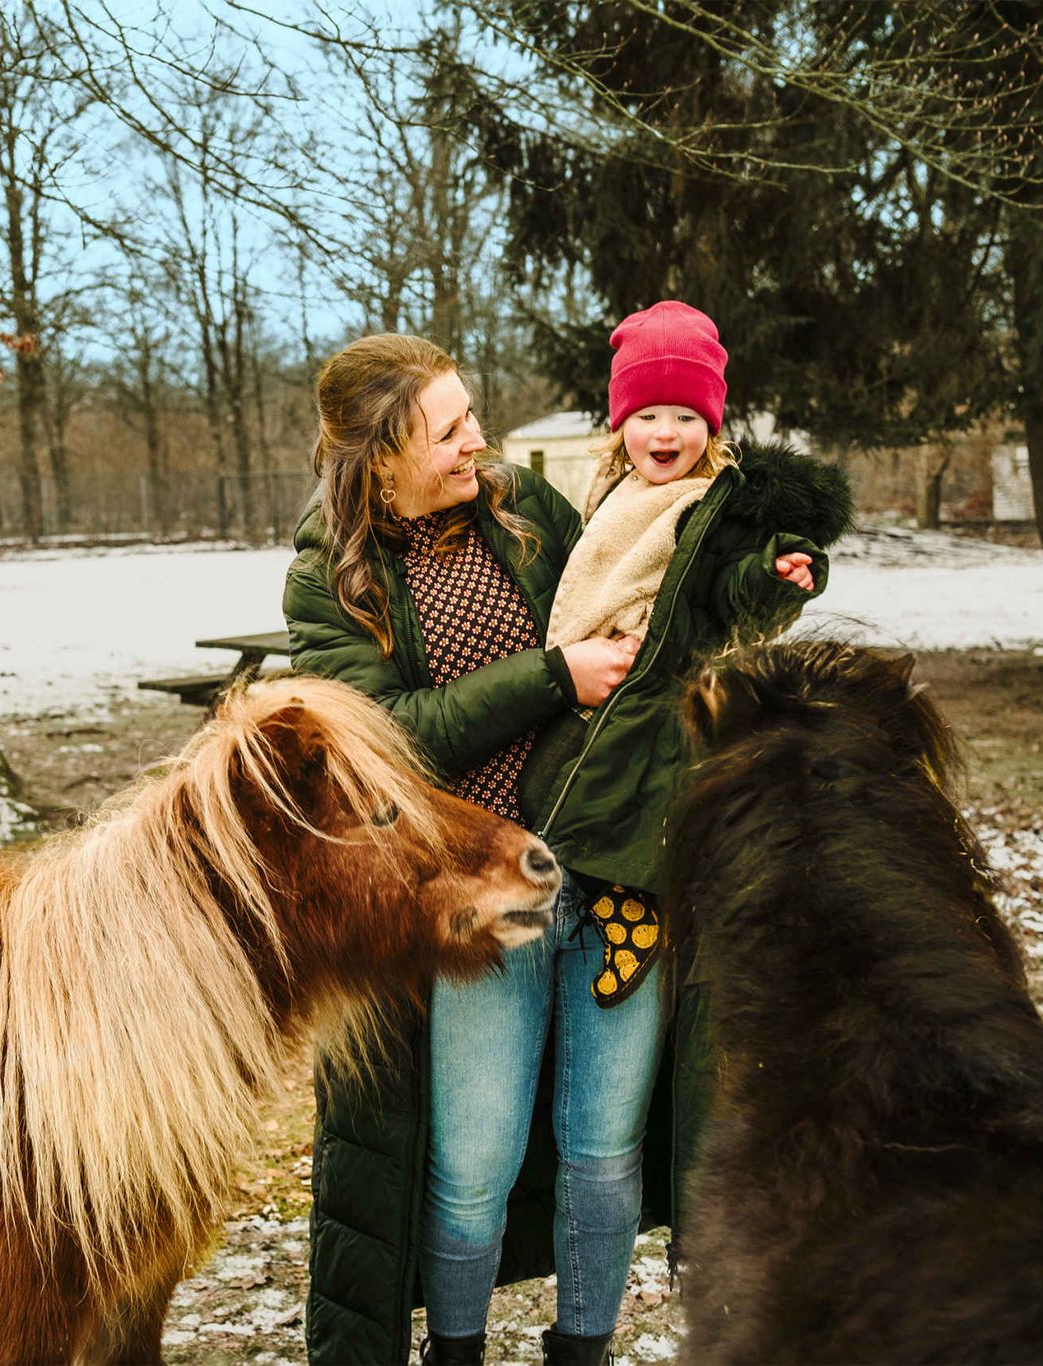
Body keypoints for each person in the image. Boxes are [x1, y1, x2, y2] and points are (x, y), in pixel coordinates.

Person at [283, 333, 648, 1366]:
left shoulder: (526, 511)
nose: (476, 441)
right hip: (475, 901)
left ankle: (583, 1349)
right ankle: (456, 1352)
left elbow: (642, 580)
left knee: (603, 1156)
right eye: (447, 430)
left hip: (602, 867)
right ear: (379, 456)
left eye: (469, 415)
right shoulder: (328, 579)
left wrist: (764, 569)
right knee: (472, 1164)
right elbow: (386, 737)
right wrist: (552, 675)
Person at [514, 299, 852, 1341]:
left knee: (630, 843)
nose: (665, 433)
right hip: (577, 728)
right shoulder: (598, 500)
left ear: (714, 424)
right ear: (618, 423)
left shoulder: (716, 511)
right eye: (646, 412)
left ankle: (631, 911)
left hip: (648, 747)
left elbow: (735, 591)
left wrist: (782, 577)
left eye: (684, 415)